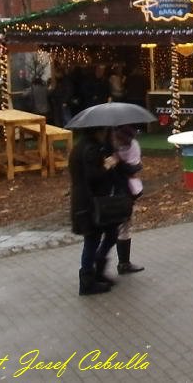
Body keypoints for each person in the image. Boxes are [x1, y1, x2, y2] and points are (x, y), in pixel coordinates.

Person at [69, 126, 128, 296]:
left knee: (108, 234)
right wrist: (108, 165)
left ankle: (97, 271)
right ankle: (87, 280)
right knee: (92, 240)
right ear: (97, 131)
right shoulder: (90, 149)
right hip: (89, 204)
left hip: (90, 202)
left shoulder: (85, 146)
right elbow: (93, 176)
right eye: (104, 131)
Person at [112, 125, 146, 274]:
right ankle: (120, 263)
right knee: (113, 230)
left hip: (126, 191)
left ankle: (124, 263)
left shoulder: (132, 145)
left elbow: (134, 168)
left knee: (124, 225)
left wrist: (119, 162)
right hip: (112, 191)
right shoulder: (108, 145)